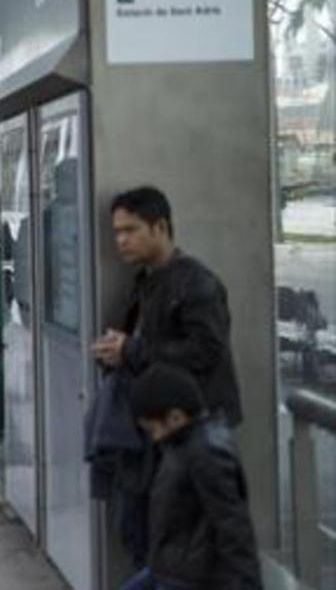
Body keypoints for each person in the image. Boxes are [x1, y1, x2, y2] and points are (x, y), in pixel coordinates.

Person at [91, 186, 243, 565]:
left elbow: (207, 352)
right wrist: (116, 353)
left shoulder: (197, 283)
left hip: (190, 432)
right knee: (140, 533)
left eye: (131, 230)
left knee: (176, 546)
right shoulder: (145, 282)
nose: (121, 240)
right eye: (117, 232)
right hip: (152, 435)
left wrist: (131, 350)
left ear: (160, 227)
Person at [119, 366, 261, 590]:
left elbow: (232, 524)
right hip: (172, 568)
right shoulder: (181, 443)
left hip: (189, 577)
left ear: (175, 417)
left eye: (153, 429)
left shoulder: (205, 453)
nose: (154, 438)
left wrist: (249, 583)